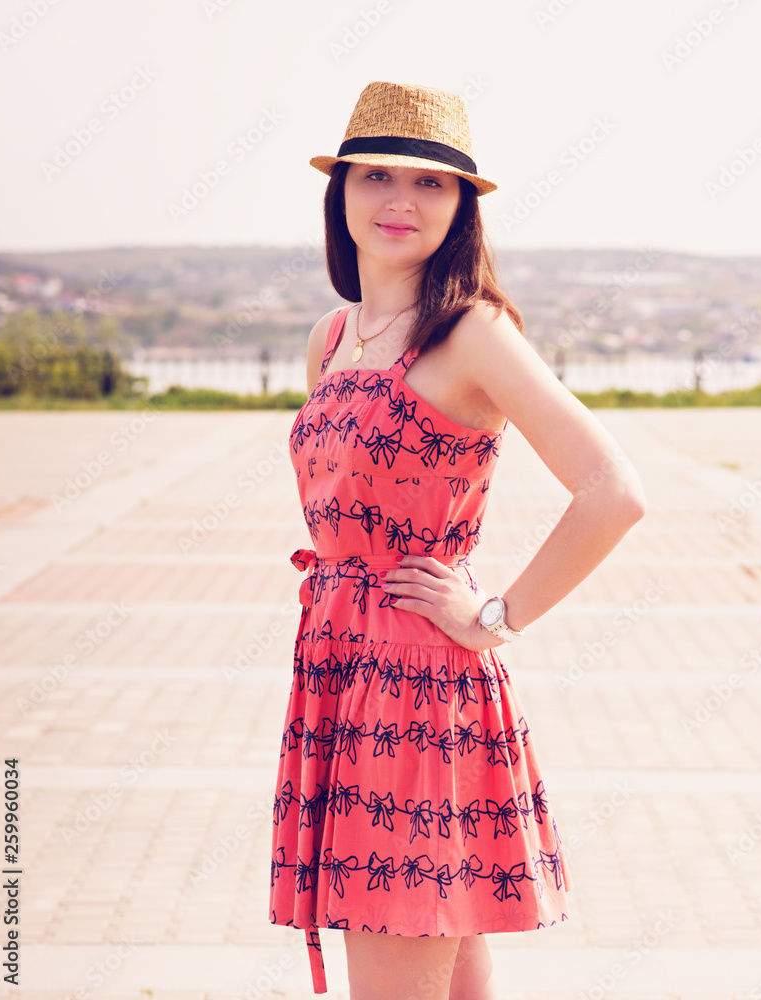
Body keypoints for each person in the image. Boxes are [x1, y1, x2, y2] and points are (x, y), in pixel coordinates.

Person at [269, 80, 646, 999]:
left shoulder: (470, 331)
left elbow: (613, 491)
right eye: (378, 176)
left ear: (462, 207)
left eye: (431, 184)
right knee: (448, 970)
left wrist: (495, 614)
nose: (400, 200)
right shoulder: (334, 335)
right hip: (338, 663)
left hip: (415, 679)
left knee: (396, 964)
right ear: (341, 193)